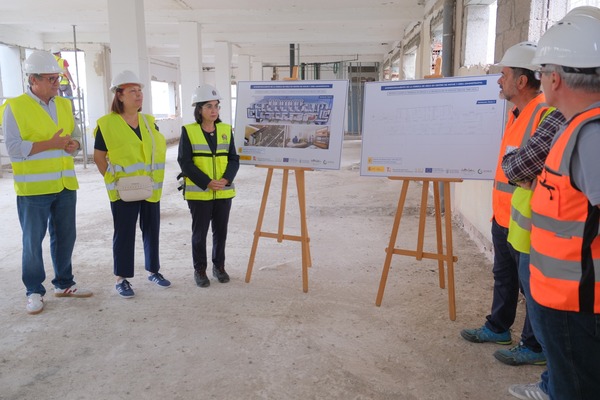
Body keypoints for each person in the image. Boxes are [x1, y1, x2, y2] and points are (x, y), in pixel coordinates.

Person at [522, 15, 600, 400]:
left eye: (542, 73)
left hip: (578, 304)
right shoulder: (574, 126)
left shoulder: (592, 135)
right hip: (561, 296)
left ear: (555, 79)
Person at [460, 42, 547, 366]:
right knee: (504, 277)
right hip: (503, 215)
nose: (499, 80)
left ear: (521, 81)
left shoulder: (543, 114)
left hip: (526, 220)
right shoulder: (516, 113)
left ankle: (534, 346)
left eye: (505, 74)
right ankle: (498, 327)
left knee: (530, 286)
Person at [2, 50, 92, 315]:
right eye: (51, 78)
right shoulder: (14, 107)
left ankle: (64, 283)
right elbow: (14, 148)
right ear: (33, 79)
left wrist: (74, 145)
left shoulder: (64, 104)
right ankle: (33, 290)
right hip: (34, 189)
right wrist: (50, 144)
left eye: (58, 78)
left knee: (65, 237)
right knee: (33, 242)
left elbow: (76, 137)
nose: (57, 83)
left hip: (65, 185)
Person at [93, 70, 170, 298]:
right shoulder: (107, 124)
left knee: (152, 230)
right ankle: (121, 278)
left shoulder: (149, 122)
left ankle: (153, 271)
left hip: (149, 187)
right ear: (119, 95)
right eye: (132, 91)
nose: (139, 95)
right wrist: (111, 179)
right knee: (124, 233)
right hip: (123, 190)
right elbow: (99, 157)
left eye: (140, 91)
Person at [177, 84, 239, 288]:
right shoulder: (189, 131)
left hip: (223, 192)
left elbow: (233, 159)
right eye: (209, 106)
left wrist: (226, 179)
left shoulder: (226, 130)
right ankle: (200, 270)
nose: (214, 110)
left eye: (216, 106)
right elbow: (185, 162)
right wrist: (206, 182)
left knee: (221, 233)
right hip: (200, 194)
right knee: (199, 235)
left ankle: (219, 267)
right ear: (199, 109)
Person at [51, 47, 76, 113]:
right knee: (69, 99)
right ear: (59, 53)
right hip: (64, 84)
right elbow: (66, 72)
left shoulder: (51, 62)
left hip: (55, 84)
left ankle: (61, 113)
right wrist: (73, 82)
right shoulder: (63, 61)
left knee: (58, 100)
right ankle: (72, 113)